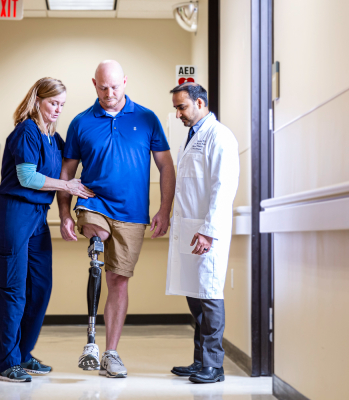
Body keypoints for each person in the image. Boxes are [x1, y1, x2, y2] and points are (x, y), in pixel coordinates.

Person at [58, 60, 175, 378]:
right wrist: (65, 214)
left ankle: (110, 353)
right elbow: (67, 172)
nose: (109, 93)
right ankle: (96, 248)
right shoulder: (81, 123)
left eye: (115, 86)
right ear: (94, 84)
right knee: (98, 236)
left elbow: (165, 166)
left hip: (133, 213)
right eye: (103, 87)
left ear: (125, 82)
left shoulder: (147, 118)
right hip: (93, 203)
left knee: (118, 281)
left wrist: (164, 210)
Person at [0, 77, 94, 383]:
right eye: (53, 103)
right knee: (14, 290)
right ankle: (8, 362)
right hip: (15, 212)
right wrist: (66, 185)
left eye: (62, 105)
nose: (57, 110)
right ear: (37, 100)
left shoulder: (53, 137)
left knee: (40, 287)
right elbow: (26, 176)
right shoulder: (27, 131)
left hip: (38, 217)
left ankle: (23, 354)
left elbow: (72, 161)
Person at [166, 83, 239, 384]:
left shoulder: (219, 136)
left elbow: (223, 188)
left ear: (199, 102)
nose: (178, 113)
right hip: (189, 230)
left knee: (209, 294)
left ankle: (214, 365)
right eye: (176, 108)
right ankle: (200, 362)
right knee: (194, 295)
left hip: (207, 233)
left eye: (182, 107)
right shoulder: (193, 136)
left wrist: (209, 231)